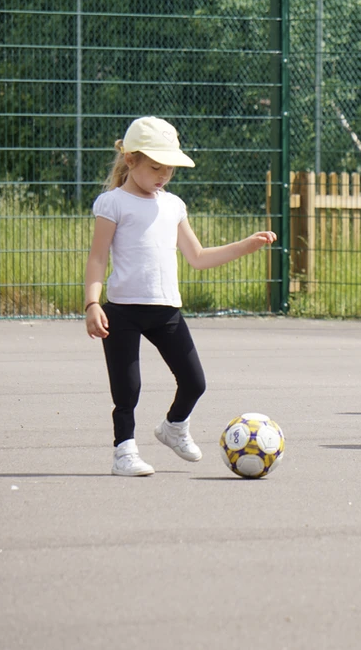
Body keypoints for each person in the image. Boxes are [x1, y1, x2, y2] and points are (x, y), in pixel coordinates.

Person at [83, 116, 276, 476]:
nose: (163, 176)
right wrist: (92, 303)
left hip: (166, 310)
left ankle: (173, 427)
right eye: (156, 167)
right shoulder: (112, 203)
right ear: (130, 160)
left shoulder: (173, 205)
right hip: (122, 311)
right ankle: (124, 452)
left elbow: (199, 257)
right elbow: (97, 258)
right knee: (128, 389)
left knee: (195, 382)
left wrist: (246, 245)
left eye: (169, 169)